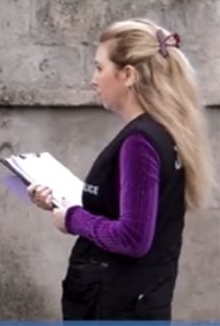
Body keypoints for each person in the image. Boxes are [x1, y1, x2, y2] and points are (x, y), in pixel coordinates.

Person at [28, 19, 214, 320]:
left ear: (127, 75)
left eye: (99, 68)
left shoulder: (140, 142)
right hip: (139, 299)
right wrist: (62, 201)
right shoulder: (166, 132)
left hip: (117, 305)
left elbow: (132, 237)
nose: (93, 80)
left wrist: (72, 218)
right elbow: (124, 209)